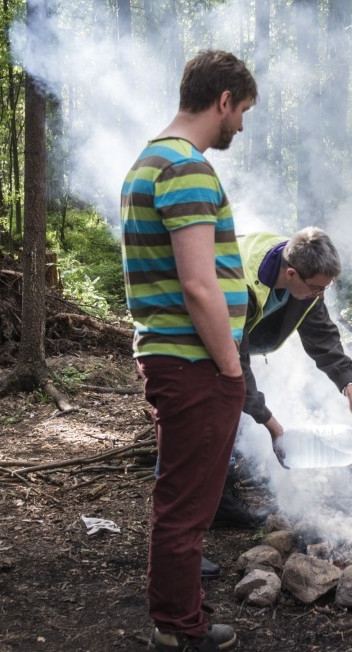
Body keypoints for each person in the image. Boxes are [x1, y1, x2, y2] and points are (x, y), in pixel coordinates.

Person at [121, 49, 256, 652]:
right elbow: (199, 284)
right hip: (196, 364)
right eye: (243, 111)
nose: (242, 127)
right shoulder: (187, 168)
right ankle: (180, 629)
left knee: (180, 493)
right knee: (188, 502)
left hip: (174, 358)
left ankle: (177, 616)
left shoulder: (147, 162)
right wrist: (231, 369)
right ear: (222, 100)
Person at [208, 227, 352, 526]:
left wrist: (350, 389)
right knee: (205, 419)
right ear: (292, 274)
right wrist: (270, 423)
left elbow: (322, 337)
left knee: (228, 409)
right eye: (316, 289)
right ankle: (202, 512)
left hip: (237, 337)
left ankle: (214, 496)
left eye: (325, 288)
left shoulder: (304, 277)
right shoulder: (238, 284)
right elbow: (235, 365)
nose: (320, 295)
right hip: (196, 338)